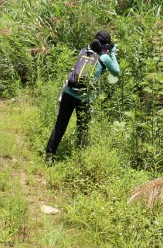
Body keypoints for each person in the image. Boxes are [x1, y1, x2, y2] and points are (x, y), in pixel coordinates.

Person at [45, 30, 120, 162]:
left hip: (68, 92)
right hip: (83, 98)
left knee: (60, 125)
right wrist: (112, 53)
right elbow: (116, 72)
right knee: (82, 129)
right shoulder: (104, 58)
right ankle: (80, 160)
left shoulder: (83, 51)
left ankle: (49, 156)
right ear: (106, 45)